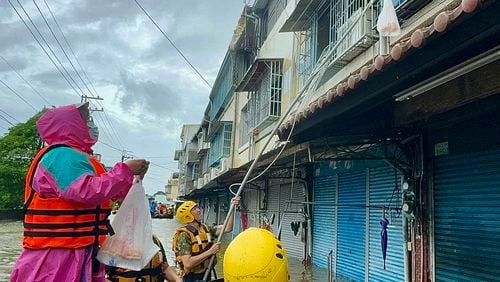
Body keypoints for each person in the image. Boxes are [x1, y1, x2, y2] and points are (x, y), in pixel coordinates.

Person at [10, 102, 150, 282]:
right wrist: (124, 171)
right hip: (56, 254)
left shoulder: (84, 160)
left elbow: (109, 193)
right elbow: (85, 191)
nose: (90, 124)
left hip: (80, 250)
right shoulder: (61, 156)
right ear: (70, 124)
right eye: (86, 119)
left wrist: (131, 178)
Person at [172, 197, 240, 282]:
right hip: (192, 278)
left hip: (206, 274)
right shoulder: (184, 235)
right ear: (188, 216)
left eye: (197, 207)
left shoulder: (205, 229)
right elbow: (188, 263)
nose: (199, 210)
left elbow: (228, 228)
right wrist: (210, 251)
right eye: (194, 209)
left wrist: (232, 207)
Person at [105, 235, 181, 282]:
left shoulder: (154, 240)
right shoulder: (113, 243)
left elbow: (164, 267)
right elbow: (98, 276)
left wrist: (177, 280)